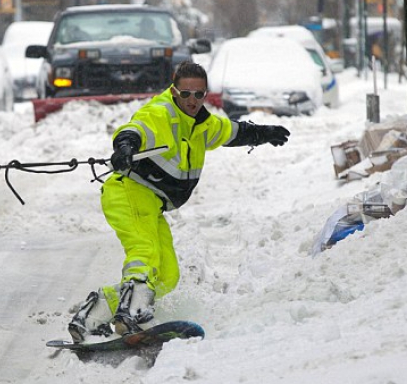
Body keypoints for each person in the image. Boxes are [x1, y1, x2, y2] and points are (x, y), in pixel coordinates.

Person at [67, 61, 290, 343]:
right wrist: (125, 147)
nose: (192, 101)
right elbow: (136, 129)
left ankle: (92, 316)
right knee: (144, 254)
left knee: (167, 276)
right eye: (186, 94)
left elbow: (231, 131)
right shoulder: (162, 113)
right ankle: (132, 314)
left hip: (152, 203)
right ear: (174, 91)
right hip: (129, 193)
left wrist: (264, 134)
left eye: (199, 95)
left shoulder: (202, 125)